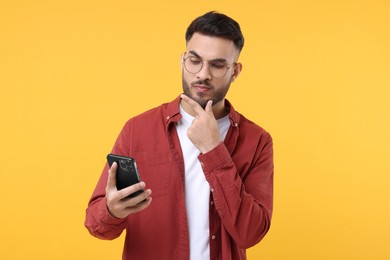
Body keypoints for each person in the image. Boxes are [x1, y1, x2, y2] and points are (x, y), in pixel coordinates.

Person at [85, 11, 274, 260]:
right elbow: (95, 224)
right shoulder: (138, 129)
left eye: (217, 65)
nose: (202, 74)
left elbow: (251, 233)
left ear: (235, 71)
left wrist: (214, 151)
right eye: (194, 61)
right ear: (182, 60)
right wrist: (112, 210)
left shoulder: (257, 140)